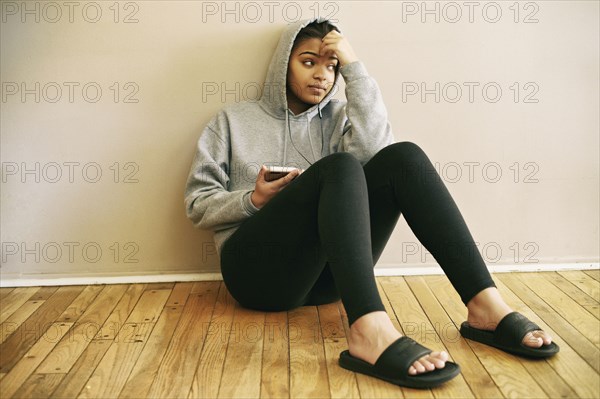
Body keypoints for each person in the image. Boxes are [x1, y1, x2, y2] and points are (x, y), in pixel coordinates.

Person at [185, 18, 559, 389]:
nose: (322, 75)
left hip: (327, 281)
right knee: (339, 167)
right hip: (256, 277)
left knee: (405, 157)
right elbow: (197, 204)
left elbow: (380, 157)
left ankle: (485, 306)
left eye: (332, 66)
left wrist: (356, 70)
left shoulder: (338, 119)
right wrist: (254, 199)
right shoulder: (231, 121)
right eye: (308, 61)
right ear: (284, 63)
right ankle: (368, 328)